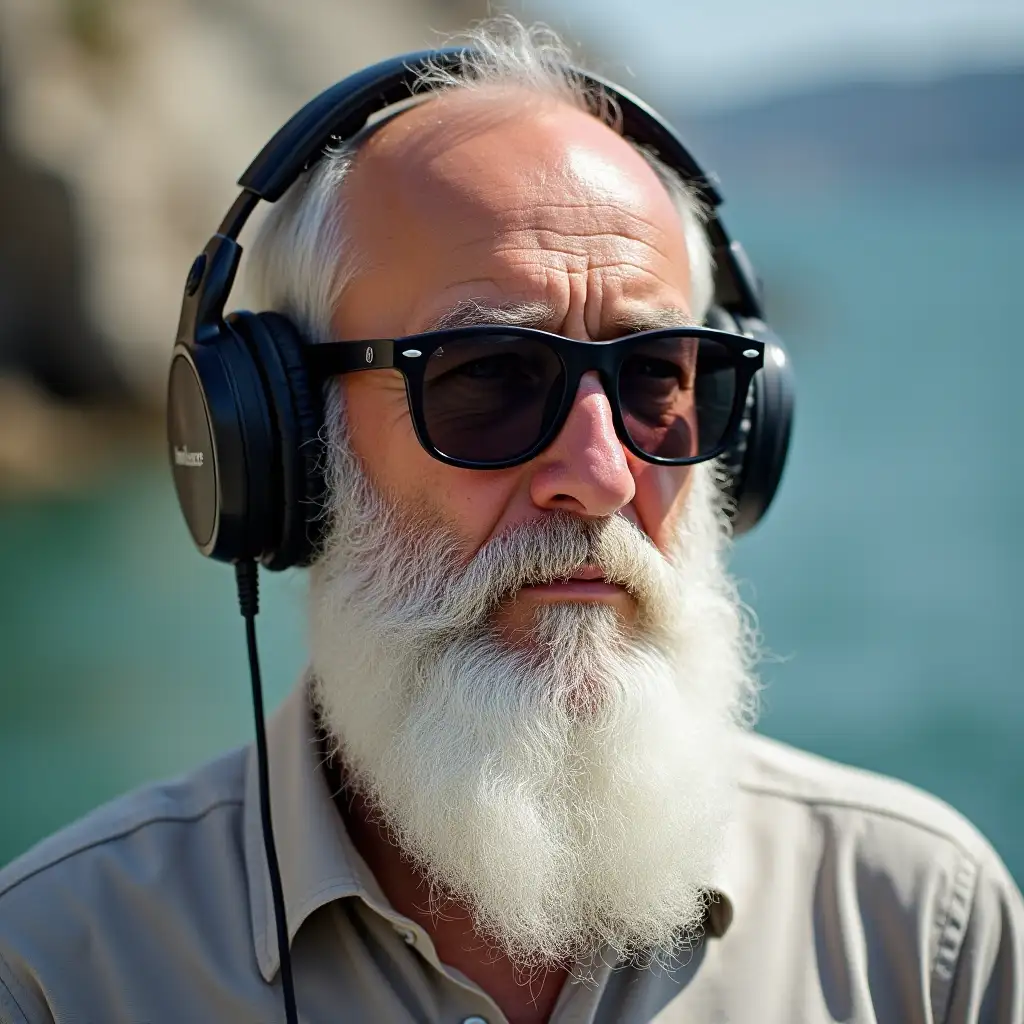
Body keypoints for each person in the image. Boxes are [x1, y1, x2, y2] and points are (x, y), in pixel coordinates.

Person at [0, 18, 1021, 1024]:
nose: (600, 476)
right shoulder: (58, 968)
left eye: (657, 378)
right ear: (283, 449)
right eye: (486, 377)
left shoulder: (920, 929)